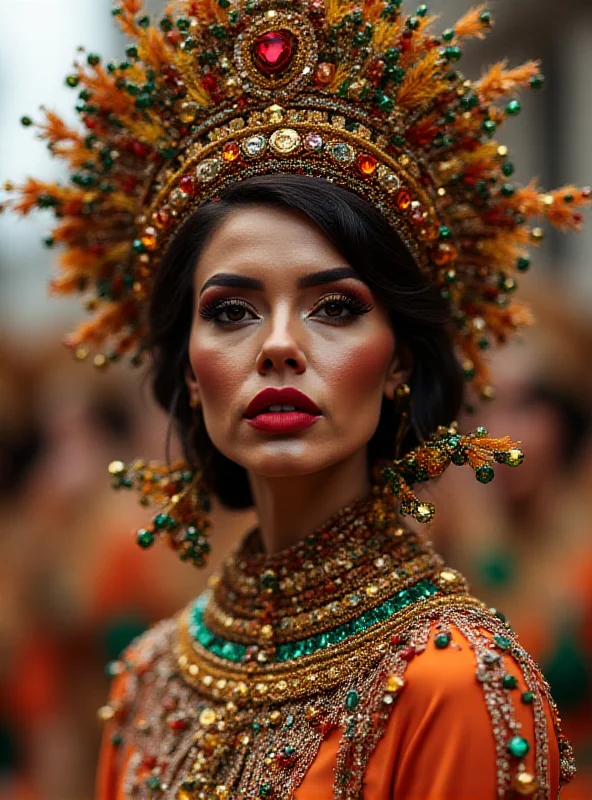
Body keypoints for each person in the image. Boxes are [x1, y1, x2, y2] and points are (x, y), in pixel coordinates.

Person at [4, 0, 590, 797]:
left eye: (336, 307)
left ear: (399, 363)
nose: (279, 345)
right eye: (232, 311)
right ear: (187, 368)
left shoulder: (452, 681)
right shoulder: (147, 677)